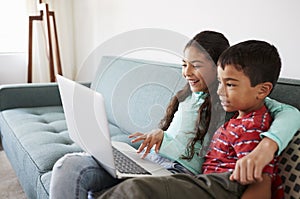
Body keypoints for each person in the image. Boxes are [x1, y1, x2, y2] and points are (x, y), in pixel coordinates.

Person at [49, 31, 300, 199]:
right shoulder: (188, 95)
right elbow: (178, 134)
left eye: (197, 66)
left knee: (122, 191)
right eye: (184, 64)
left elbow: (290, 112)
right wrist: (162, 133)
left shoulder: (230, 100)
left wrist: (267, 146)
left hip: (177, 173)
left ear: (219, 67)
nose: (187, 72)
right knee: (69, 165)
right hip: (153, 161)